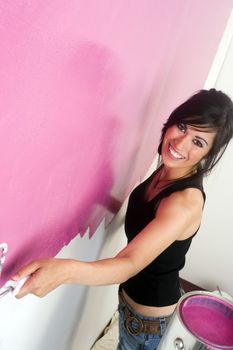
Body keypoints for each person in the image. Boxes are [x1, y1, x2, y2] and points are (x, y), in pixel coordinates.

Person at [12, 89, 233, 349]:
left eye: (198, 142)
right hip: (130, 307)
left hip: (151, 325)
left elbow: (129, 263)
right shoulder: (168, 170)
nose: (180, 144)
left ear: (208, 154)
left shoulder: (184, 202)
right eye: (182, 126)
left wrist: (63, 270)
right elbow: (144, 215)